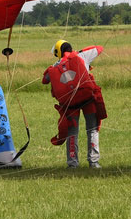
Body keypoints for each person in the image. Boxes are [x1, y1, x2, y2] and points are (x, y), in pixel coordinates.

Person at [42, 40, 106, 168]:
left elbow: (45, 80)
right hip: (87, 99)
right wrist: (80, 52)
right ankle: (94, 162)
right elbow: (99, 48)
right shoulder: (81, 56)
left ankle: (73, 163)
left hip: (70, 105)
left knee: (72, 133)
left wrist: (57, 63)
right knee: (92, 129)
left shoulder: (55, 66)